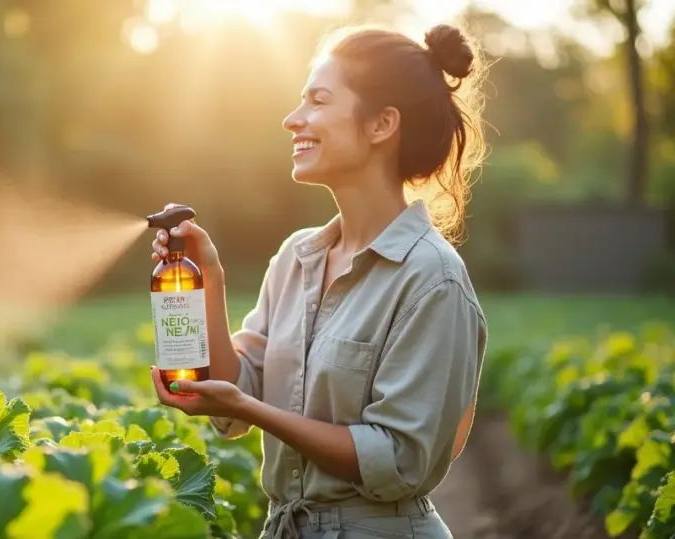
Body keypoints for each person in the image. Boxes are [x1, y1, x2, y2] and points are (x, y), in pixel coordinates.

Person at [149, 22, 490, 539]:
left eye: (317, 101)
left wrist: (250, 409)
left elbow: (397, 459)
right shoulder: (296, 257)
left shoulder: (432, 279)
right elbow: (239, 393)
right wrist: (208, 280)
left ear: (382, 125)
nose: (292, 119)